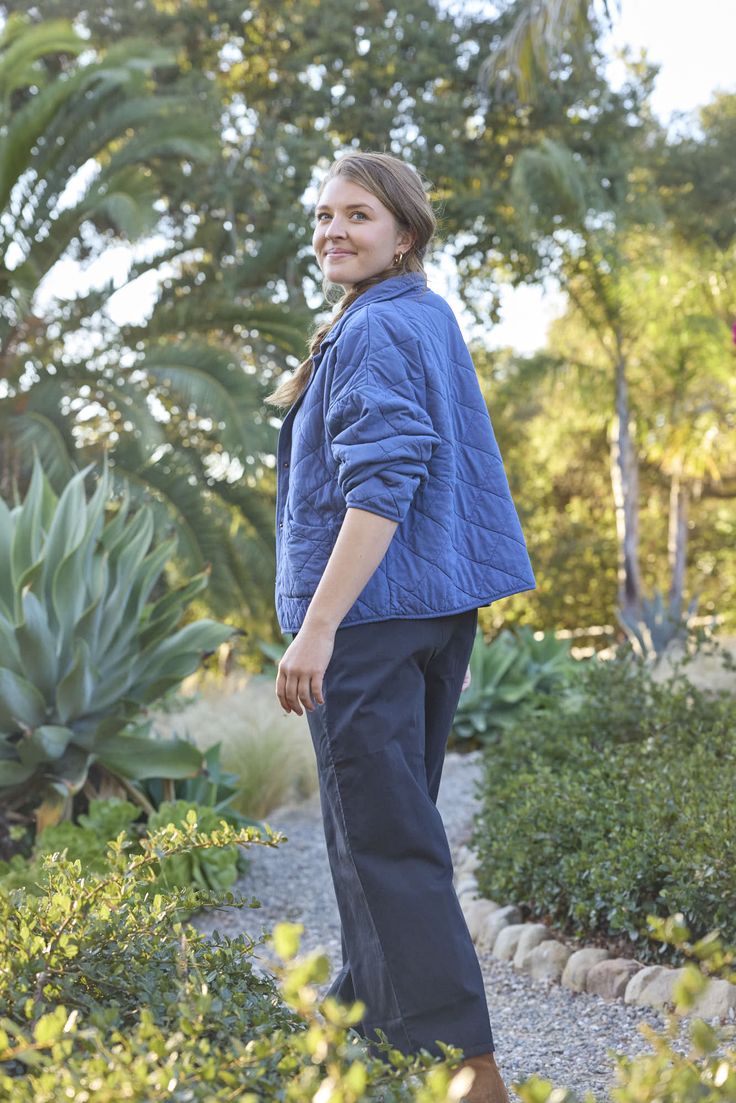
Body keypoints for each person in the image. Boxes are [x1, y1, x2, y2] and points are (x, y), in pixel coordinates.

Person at [265, 151, 535, 1103]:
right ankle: (364, 1043)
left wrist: (318, 627)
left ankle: (474, 1071)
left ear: (405, 234)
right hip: (424, 615)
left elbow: (383, 489)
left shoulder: (378, 328)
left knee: (384, 848)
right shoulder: (416, 314)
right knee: (381, 840)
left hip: (370, 620)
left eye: (359, 216)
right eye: (326, 214)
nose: (334, 230)